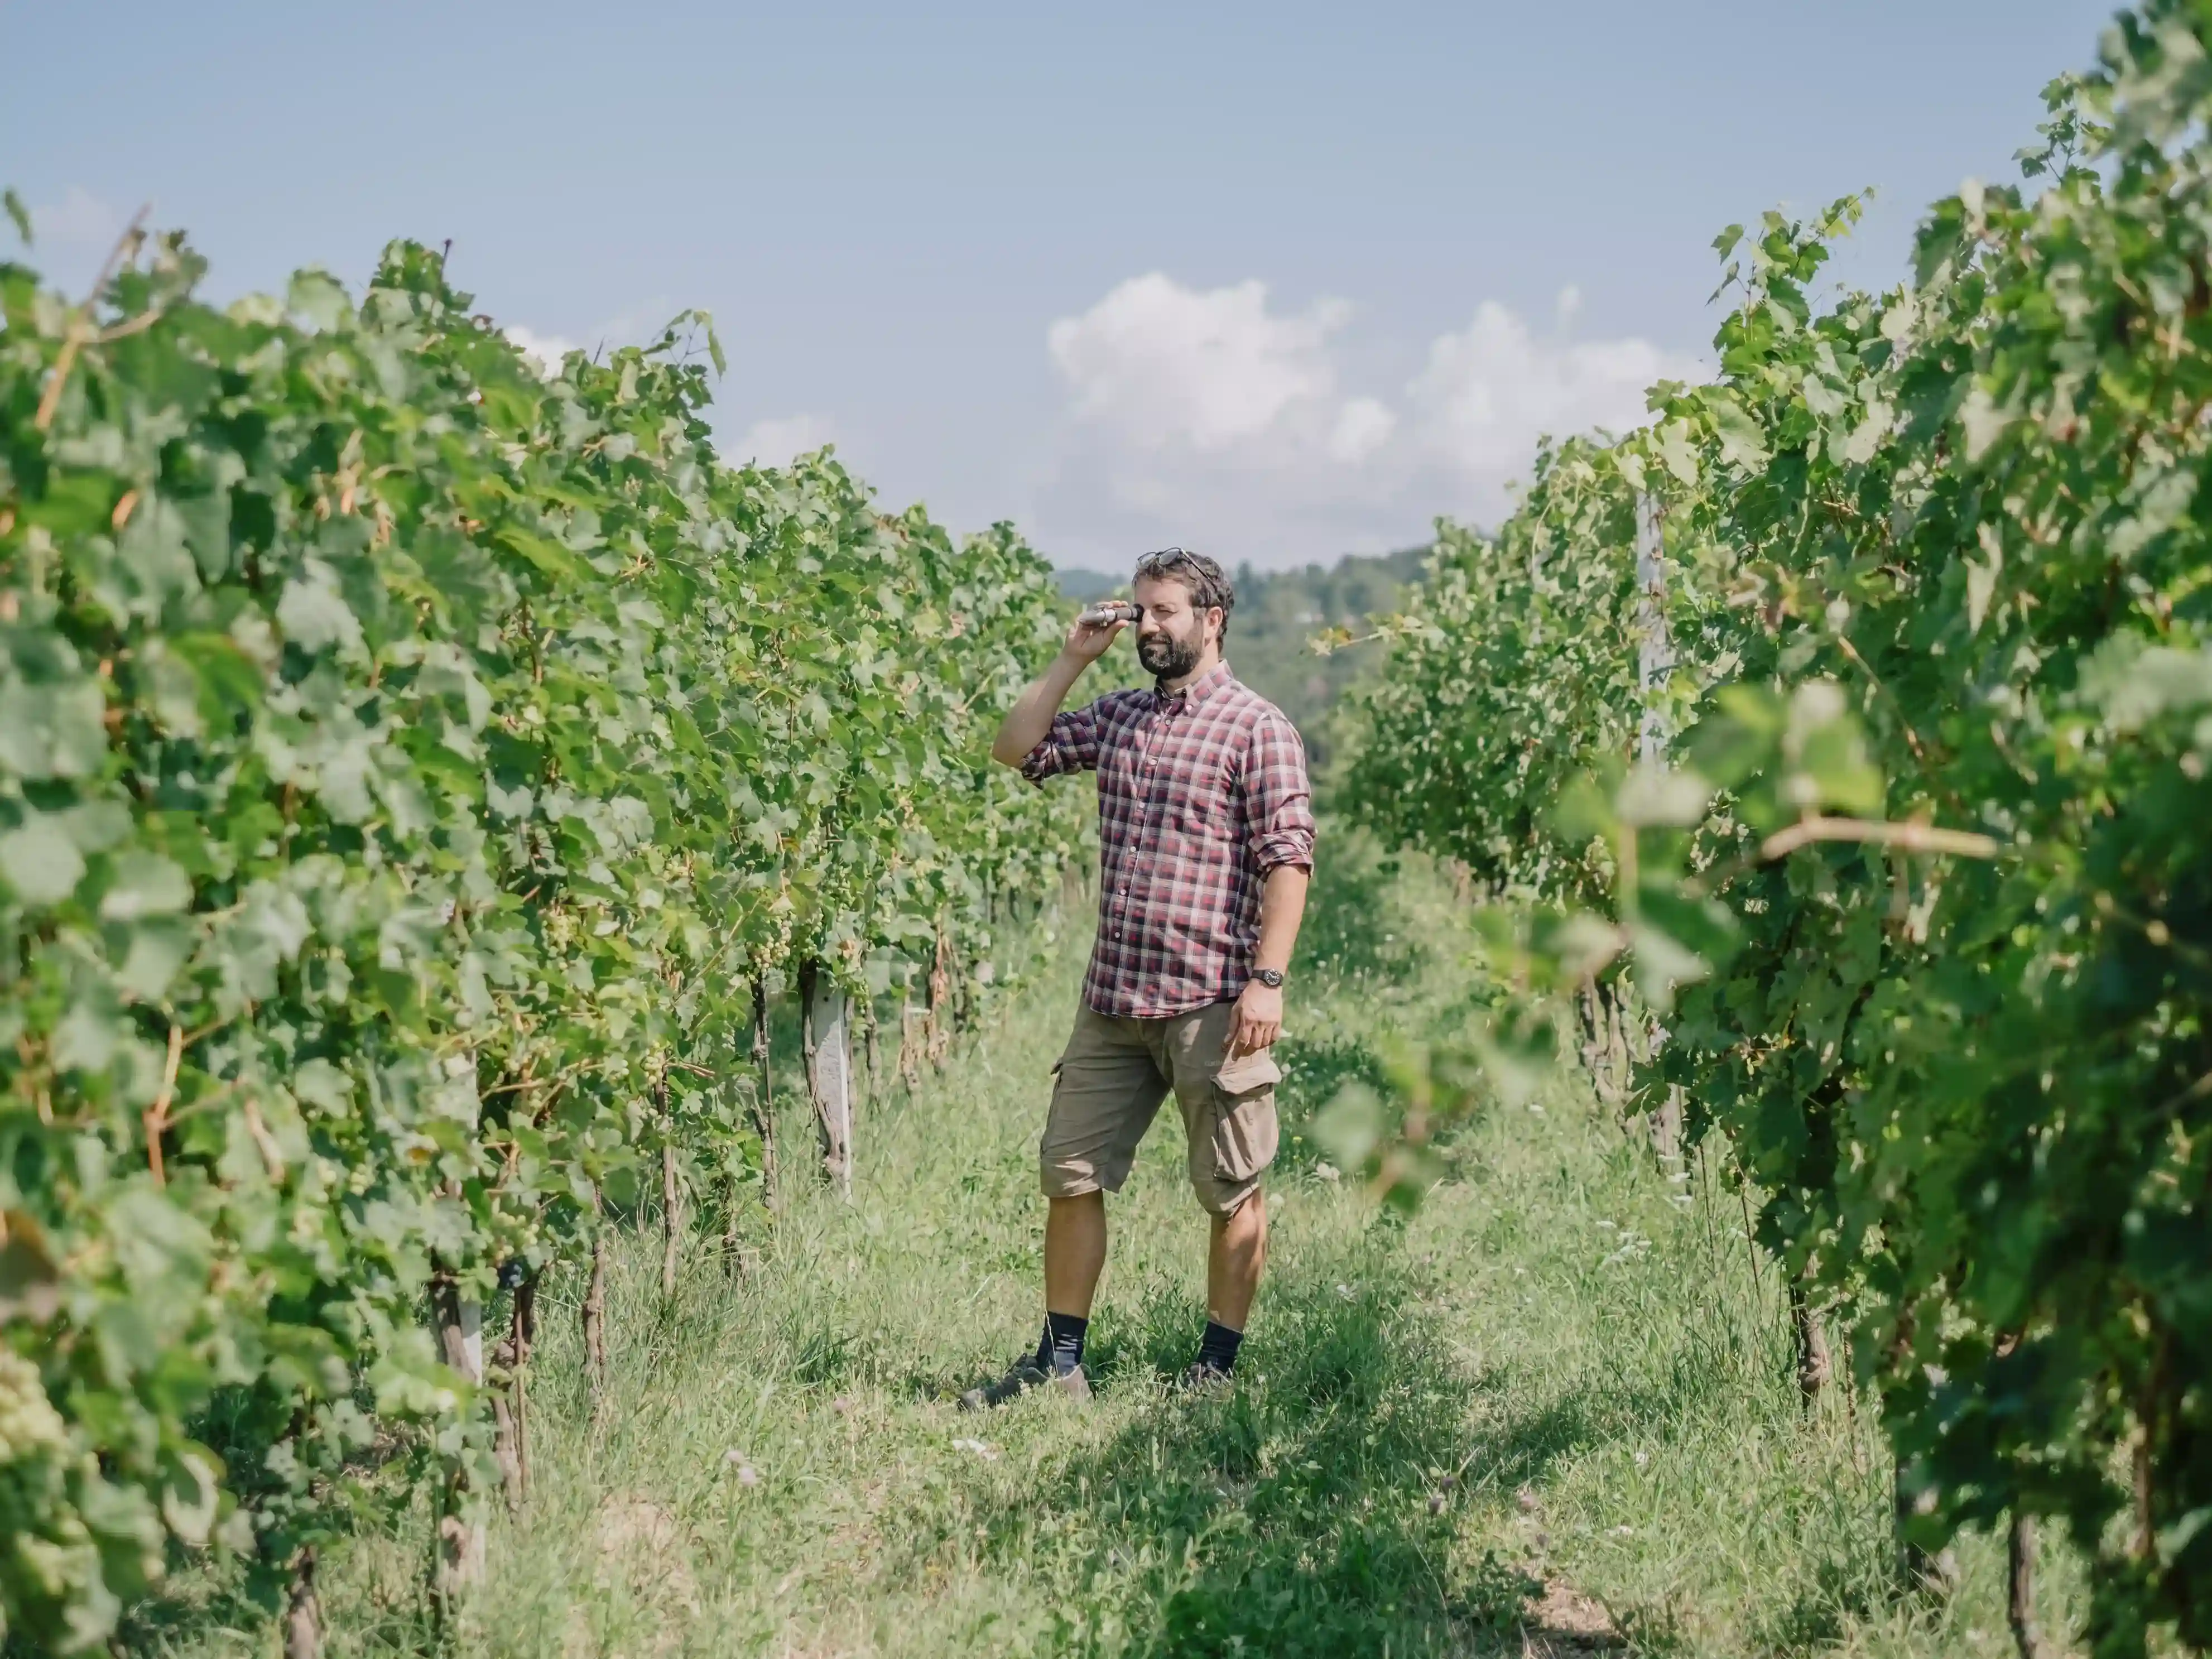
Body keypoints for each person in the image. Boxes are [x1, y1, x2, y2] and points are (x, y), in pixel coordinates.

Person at [964, 547, 1315, 1407]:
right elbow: (1015, 749)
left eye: (1165, 612)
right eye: (1139, 611)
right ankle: (1059, 1364)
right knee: (1071, 1175)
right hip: (1115, 997)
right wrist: (1072, 658)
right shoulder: (1119, 716)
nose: (1147, 627)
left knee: (1232, 1186)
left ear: (1211, 619)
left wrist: (1267, 980)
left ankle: (1214, 1374)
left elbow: (1288, 861)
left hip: (1212, 1000)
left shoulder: (1255, 727)